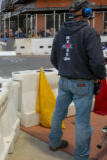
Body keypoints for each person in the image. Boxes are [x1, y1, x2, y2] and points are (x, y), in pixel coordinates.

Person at [49, 1, 106, 160]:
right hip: (83, 83)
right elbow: (97, 63)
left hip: (64, 80)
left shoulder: (60, 33)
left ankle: (54, 142)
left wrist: (66, 70)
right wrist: (98, 77)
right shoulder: (89, 32)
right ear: (87, 11)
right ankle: (81, 156)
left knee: (58, 113)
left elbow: (53, 59)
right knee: (82, 123)